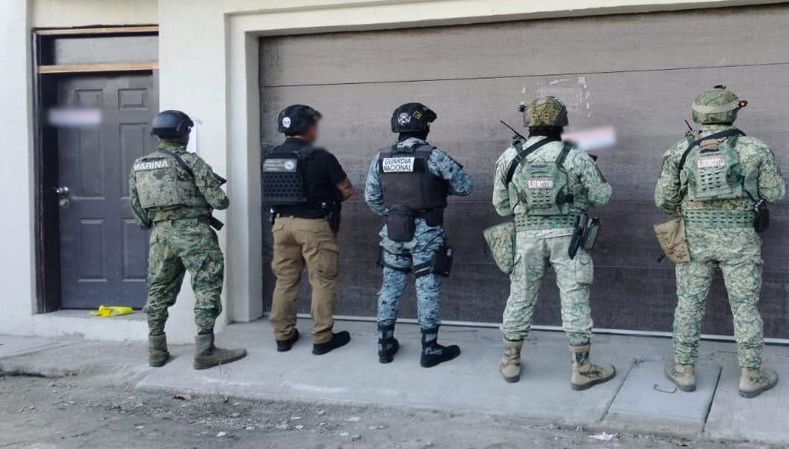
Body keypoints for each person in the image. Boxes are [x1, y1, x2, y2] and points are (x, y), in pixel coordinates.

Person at [654, 86, 787, 398]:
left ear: (697, 114)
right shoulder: (755, 149)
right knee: (745, 307)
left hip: (694, 240)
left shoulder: (680, 150)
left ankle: (684, 370)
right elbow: (776, 193)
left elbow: (663, 200)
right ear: (733, 112)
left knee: (689, 304)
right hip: (740, 241)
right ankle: (751, 375)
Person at [492, 96, 614, 390]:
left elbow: (501, 206)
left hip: (526, 239)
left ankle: (510, 361)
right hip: (568, 239)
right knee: (574, 299)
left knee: (520, 297)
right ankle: (582, 368)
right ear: (562, 122)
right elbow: (602, 196)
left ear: (528, 123)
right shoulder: (575, 155)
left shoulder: (510, 157)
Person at [129, 110, 246, 370]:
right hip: (194, 234)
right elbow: (220, 201)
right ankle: (205, 350)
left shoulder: (139, 165)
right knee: (206, 285)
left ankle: (156, 351)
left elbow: (140, 215)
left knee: (158, 289)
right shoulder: (191, 161)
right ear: (183, 132)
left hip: (160, 236)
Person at [365, 103, 473, 367]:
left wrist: (394, 214)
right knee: (427, 288)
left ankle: (384, 345)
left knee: (390, 287)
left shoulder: (381, 157)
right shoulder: (432, 156)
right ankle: (430, 348)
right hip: (427, 234)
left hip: (393, 232)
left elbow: (371, 197)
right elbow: (465, 186)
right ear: (424, 127)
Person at [263, 104, 355, 355]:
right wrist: (328, 199)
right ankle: (322, 338)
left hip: (281, 224)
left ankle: (283, 336)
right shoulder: (321, 156)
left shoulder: (270, 156)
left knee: (285, 280)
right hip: (314, 226)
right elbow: (347, 190)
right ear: (308, 127)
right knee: (323, 280)